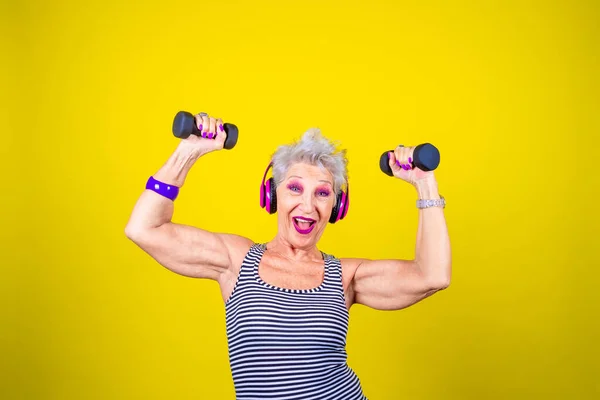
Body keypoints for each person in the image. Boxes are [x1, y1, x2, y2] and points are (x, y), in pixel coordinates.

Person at [125, 112, 451, 400]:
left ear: (336, 207)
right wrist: (188, 152)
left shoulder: (345, 277)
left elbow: (432, 275)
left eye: (323, 193)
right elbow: (145, 228)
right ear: (272, 194)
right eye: (295, 188)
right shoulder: (236, 260)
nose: (308, 206)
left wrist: (425, 184)